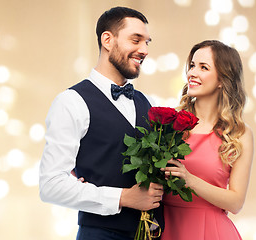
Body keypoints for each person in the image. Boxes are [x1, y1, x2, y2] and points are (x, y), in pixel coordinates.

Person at [39, 6, 164, 240]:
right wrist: (123, 197)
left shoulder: (150, 102)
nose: (144, 50)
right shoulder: (71, 102)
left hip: (152, 234)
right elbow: (51, 185)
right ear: (107, 39)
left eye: (147, 42)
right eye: (136, 40)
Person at [161, 40, 254, 239]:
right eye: (192, 65)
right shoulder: (168, 125)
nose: (192, 73)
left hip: (212, 232)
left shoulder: (239, 133)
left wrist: (190, 179)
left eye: (203, 67)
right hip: (165, 228)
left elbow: (236, 202)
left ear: (222, 79)